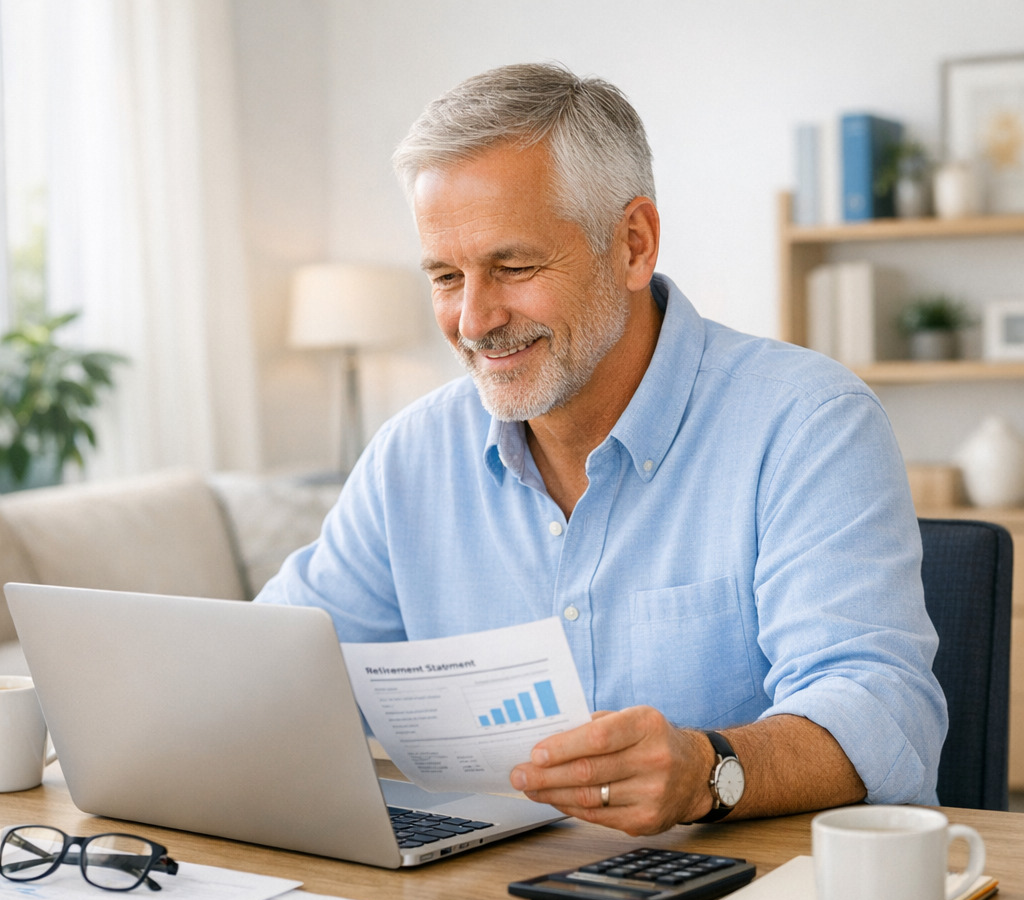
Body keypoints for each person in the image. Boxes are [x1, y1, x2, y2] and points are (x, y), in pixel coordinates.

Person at [258, 63, 946, 835]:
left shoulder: (807, 423)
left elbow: (883, 709)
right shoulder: (410, 458)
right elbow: (275, 672)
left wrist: (709, 770)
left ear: (633, 244)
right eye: (447, 276)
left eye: (513, 267)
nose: (475, 320)